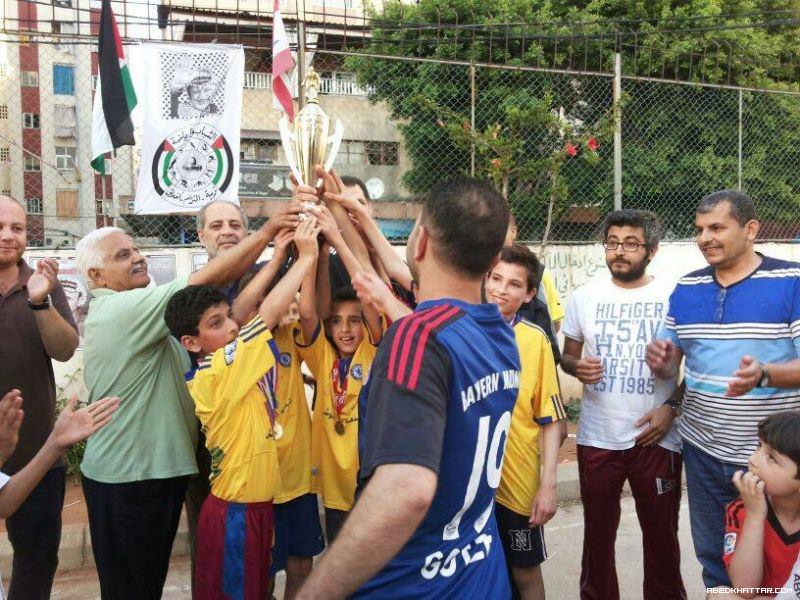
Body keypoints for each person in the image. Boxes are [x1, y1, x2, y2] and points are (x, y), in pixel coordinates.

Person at [297, 176, 520, 598]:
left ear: (419, 244)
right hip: (479, 577)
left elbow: (407, 489)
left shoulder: (418, 338)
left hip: (412, 585)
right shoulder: (498, 332)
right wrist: (360, 219)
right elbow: (434, 327)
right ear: (493, 258)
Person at [76, 204, 302, 599]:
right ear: (96, 277)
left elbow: (231, 315)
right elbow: (207, 291)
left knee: (148, 582)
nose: (138, 257)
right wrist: (267, 235)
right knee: (134, 589)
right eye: (123, 254)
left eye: (136, 249)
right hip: (131, 478)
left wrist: (278, 257)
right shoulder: (120, 309)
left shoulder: (146, 313)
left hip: (151, 473)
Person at [646, 190, 800, 590]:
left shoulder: (790, 282)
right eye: (699, 229)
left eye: (716, 227)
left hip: (774, 462)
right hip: (703, 452)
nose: (705, 238)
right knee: (717, 560)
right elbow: (676, 366)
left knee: (780, 567)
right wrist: (661, 360)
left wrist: (765, 374)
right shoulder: (687, 287)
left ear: (750, 229)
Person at [164, 217, 320, 599]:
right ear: (191, 342)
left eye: (228, 320)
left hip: (254, 507)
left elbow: (241, 311)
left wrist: (279, 254)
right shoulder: (218, 370)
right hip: (235, 512)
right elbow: (263, 317)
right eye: (216, 324)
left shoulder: (222, 354)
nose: (231, 327)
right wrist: (306, 259)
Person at [563, 209, 685, 599]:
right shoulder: (584, 297)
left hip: (656, 436)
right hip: (598, 436)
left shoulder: (674, 297)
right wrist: (576, 367)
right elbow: (567, 355)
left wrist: (672, 408)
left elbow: (700, 365)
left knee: (662, 538)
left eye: (631, 244)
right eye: (612, 243)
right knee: (596, 537)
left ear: (652, 250)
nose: (619, 252)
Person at [233, 234, 326, 598]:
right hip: (258, 481)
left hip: (297, 475)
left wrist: (312, 254)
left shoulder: (289, 336)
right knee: (262, 566)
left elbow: (307, 312)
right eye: (262, 300)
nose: (272, 306)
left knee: (302, 560)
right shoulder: (237, 344)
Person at [0, 196, 79, 600]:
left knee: (35, 563)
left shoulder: (42, 284)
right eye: (0, 227)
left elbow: (65, 349)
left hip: (36, 456)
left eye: (17, 228)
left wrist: (39, 302)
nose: (8, 236)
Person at [295, 203, 383, 544]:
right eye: (336, 321)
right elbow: (307, 314)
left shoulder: (374, 351)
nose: (345, 330)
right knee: (340, 561)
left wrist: (336, 236)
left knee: (375, 570)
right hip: (334, 488)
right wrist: (315, 256)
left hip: (371, 484)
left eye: (354, 321)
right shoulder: (322, 359)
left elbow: (371, 301)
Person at [485, 244, 565, 600]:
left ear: (530, 293)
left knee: (525, 570)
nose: (501, 289)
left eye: (514, 284)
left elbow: (550, 420)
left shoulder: (535, 341)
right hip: (469, 483)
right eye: (496, 278)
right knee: (477, 571)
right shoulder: (459, 331)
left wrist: (548, 485)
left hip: (516, 480)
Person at [720, 412, 800, 600]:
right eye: (758, 447)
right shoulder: (741, 509)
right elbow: (745, 588)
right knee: (719, 594)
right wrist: (755, 517)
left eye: (771, 457)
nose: (752, 459)